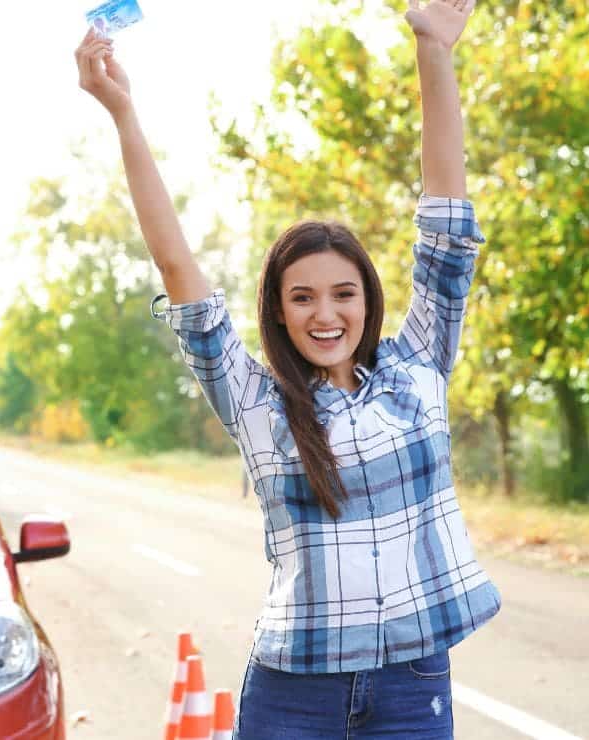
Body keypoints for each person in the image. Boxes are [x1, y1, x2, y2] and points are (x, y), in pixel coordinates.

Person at [75, 0, 500, 736]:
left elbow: (447, 224)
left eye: (343, 293)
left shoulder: (419, 366)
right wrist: (123, 114)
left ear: (369, 298)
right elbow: (175, 263)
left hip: (411, 685)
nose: (325, 314)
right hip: (293, 692)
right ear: (277, 310)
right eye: (301, 297)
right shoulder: (254, 402)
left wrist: (434, 50)